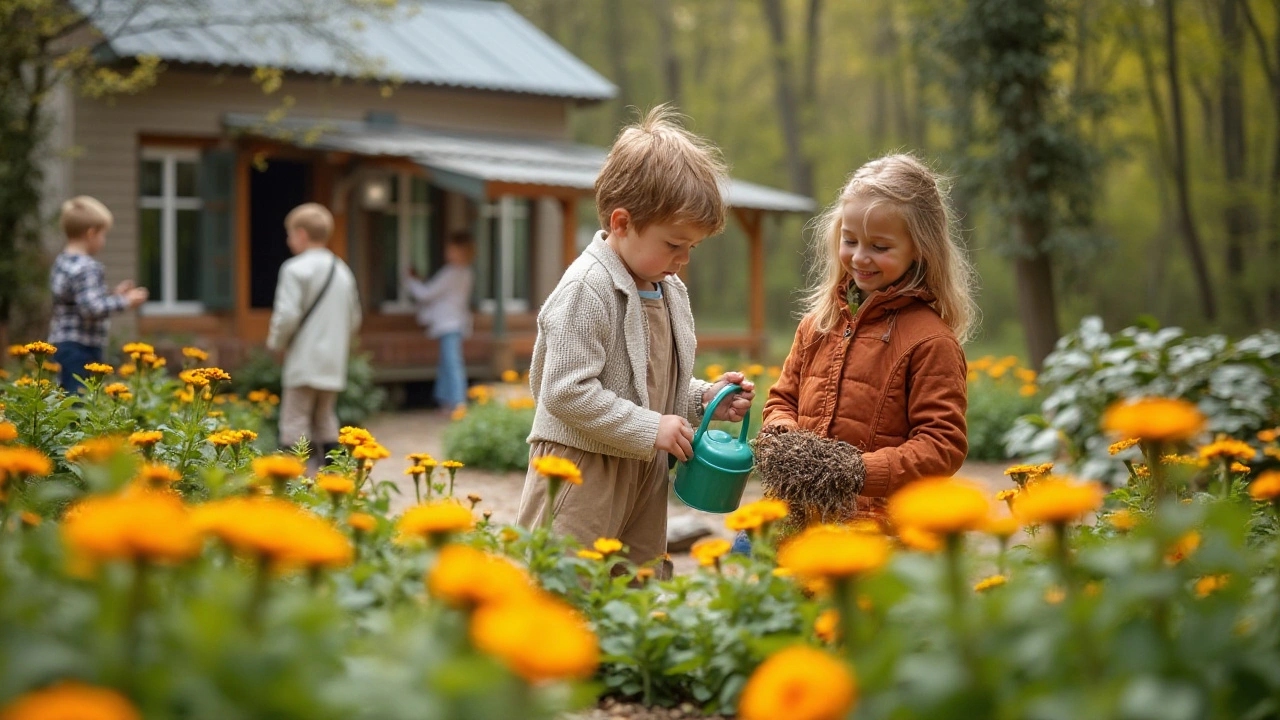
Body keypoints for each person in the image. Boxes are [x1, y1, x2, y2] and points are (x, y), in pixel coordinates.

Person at [516, 106, 755, 576]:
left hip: (641, 468)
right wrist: (651, 430)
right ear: (622, 222)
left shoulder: (668, 291)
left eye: (693, 247)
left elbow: (648, 390)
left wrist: (703, 400)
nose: (684, 258)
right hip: (581, 470)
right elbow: (564, 391)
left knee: (635, 585)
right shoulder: (587, 288)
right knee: (568, 586)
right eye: (673, 244)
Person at [758, 153, 976, 528]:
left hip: (881, 531)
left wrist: (858, 470)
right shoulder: (817, 325)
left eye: (880, 246)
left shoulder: (930, 341)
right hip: (801, 522)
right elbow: (782, 400)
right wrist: (788, 443)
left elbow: (941, 446)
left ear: (920, 248)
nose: (860, 257)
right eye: (850, 240)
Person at [266, 203, 361, 459]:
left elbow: (287, 316)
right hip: (333, 362)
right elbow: (354, 319)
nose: (288, 241)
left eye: (289, 234)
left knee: (294, 422)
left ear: (301, 234)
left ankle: (293, 485)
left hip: (303, 360)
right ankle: (334, 483)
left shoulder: (295, 269)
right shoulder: (343, 270)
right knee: (325, 420)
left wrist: (276, 343)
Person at [47, 196, 149, 393]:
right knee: (80, 400)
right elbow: (92, 308)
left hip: (62, 342)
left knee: (64, 396)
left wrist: (113, 294)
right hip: (82, 347)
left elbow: (74, 300)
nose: (103, 241)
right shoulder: (88, 267)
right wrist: (125, 301)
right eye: (103, 235)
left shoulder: (62, 261)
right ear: (91, 234)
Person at [404, 231, 475, 416]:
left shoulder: (452, 273)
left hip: (448, 324)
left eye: (452, 250)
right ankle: (449, 402)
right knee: (448, 363)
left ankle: (458, 403)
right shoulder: (465, 273)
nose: (448, 253)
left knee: (451, 364)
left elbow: (426, 294)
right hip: (456, 323)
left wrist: (410, 281)